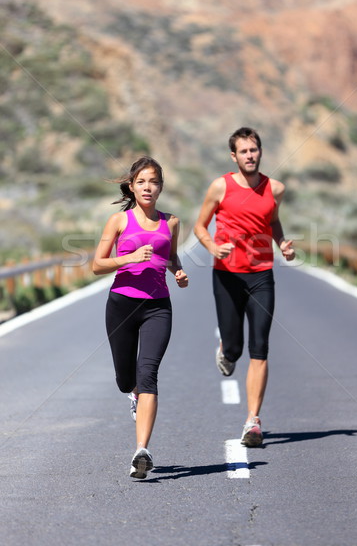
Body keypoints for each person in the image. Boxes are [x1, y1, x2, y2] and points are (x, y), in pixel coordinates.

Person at [194, 127, 294, 447]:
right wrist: (211, 247)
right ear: (233, 156)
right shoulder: (220, 187)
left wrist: (282, 244)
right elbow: (199, 225)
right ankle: (226, 350)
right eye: (244, 151)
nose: (250, 155)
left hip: (262, 275)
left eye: (254, 150)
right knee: (235, 347)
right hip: (227, 275)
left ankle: (253, 421)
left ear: (260, 152)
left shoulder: (274, 188)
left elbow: (273, 220)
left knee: (260, 346)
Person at [93, 156, 188, 479]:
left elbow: (170, 256)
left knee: (148, 373)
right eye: (142, 182)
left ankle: (141, 451)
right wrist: (129, 257)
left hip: (158, 307)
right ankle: (132, 394)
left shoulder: (171, 222)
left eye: (154, 182)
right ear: (132, 187)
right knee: (125, 380)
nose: (149, 187)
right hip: (121, 305)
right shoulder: (118, 222)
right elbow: (97, 264)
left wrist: (179, 271)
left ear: (161, 187)